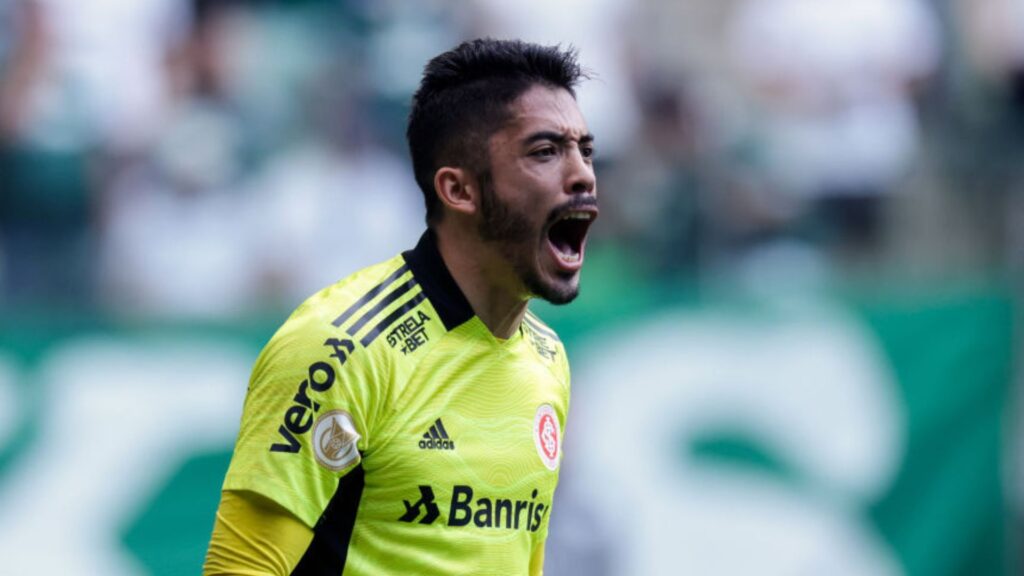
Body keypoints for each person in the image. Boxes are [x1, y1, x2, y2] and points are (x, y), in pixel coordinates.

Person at [203, 38, 598, 575]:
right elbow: (239, 568)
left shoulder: (548, 360)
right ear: (459, 190)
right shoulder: (340, 349)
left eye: (584, 151)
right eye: (545, 152)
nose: (583, 174)